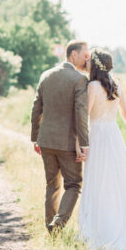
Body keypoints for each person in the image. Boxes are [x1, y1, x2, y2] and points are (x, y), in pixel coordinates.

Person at [77, 49, 126, 250]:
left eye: (89, 61)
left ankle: (101, 232)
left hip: (97, 137)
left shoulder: (92, 86)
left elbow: (84, 116)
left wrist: (79, 143)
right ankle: (119, 228)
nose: (86, 63)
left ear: (95, 65)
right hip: (114, 136)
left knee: (98, 182)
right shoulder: (116, 85)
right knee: (117, 184)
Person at [30, 40, 90, 233]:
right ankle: (59, 222)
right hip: (67, 143)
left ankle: (51, 228)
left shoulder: (46, 75)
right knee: (73, 185)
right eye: (85, 55)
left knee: (52, 185)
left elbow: (36, 109)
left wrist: (35, 137)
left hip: (46, 140)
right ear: (74, 54)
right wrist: (84, 143)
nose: (86, 58)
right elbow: (81, 113)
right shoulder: (79, 80)